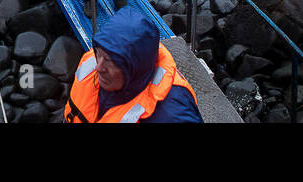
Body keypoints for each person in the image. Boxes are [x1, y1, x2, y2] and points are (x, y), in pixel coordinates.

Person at [64, 7, 202, 123]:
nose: (98, 67)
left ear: (135, 67)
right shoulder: (92, 60)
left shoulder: (172, 114)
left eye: (110, 61)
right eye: (99, 54)